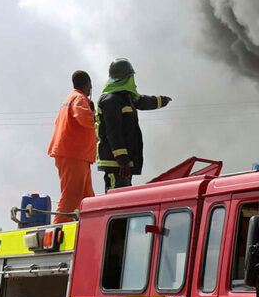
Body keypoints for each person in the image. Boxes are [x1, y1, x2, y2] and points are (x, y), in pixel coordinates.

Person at [96, 58, 172, 191]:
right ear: (128, 78)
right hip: (117, 164)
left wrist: (162, 101)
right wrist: (123, 160)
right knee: (116, 201)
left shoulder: (124, 97)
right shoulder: (111, 100)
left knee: (123, 200)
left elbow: (142, 101)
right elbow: (114, 133)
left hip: (122, 164)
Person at [47, 70, 98, 223]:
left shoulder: (69, 99)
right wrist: (97, 117)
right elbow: (83, 117)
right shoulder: (79, 99)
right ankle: (58, 231)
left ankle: (90, 227)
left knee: (87, 197)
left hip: (75, 154)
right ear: (88, 84)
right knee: (71, 195)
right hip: (74, 154)